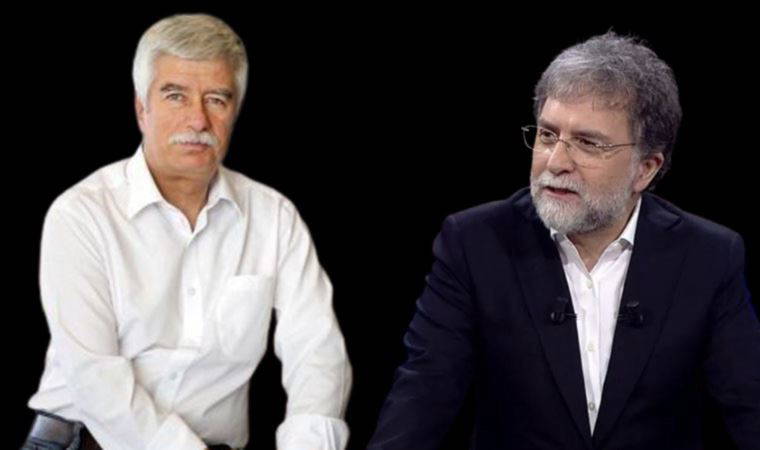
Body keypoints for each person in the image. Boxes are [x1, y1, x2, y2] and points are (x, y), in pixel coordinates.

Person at [368, 32, 760, 449]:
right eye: (547, 135)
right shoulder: (475, 243)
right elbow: (421, 398)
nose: (556, 162)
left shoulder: (708, 257)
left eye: (587, 143)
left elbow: (750, 407)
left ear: (645, 168)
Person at [23, 13, 351, 450]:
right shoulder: (82, 215)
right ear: (142, 108)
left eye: (217, 99)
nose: (198, 120)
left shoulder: (274, 217)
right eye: (175, 96)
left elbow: (317, 352)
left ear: (235, 110)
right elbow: (96, 381)